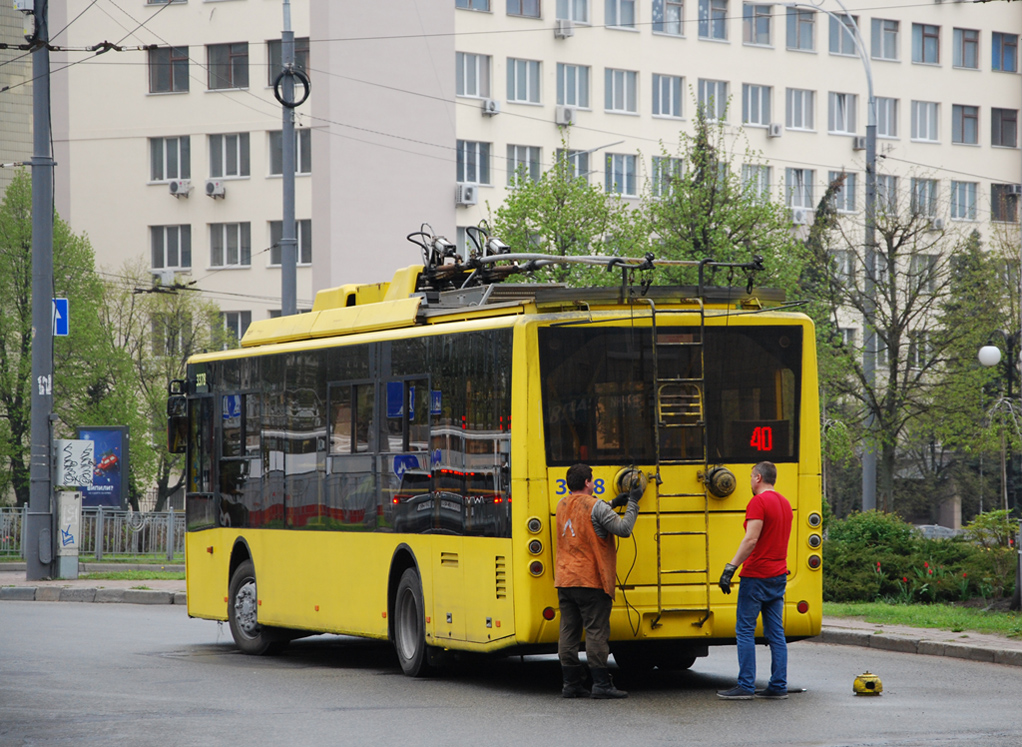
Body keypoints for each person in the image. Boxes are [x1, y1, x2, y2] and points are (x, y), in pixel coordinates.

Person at [554, 463, 643, 699]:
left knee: (568, 632)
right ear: (586, 482)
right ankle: (601, 684)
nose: (593, 483)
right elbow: (623, 529)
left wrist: (613, 503)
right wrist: (633, 502)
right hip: (591, 579)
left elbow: (586, 518)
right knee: (596, 632)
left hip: (565, 579)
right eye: (592, 480)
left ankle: (571, 684)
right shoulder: (595, 506)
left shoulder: (561, 505)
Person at [716, 461, 793, 700]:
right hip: (778, 574)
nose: (750, 481)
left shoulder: (758, 502)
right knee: (776, 632)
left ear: (758, 477)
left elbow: (751, 540)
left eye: (751, 476)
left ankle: (746, 685)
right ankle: (778, 686)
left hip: (757, 575)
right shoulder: (785, 503)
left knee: (745, 630)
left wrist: (730, 568)